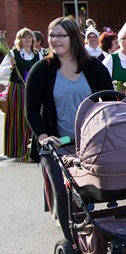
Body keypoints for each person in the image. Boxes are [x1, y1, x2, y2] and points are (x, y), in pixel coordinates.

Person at [25, 17, 113, 242]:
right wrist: (44, 137)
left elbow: (110, 101)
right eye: (51, 35)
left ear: (74, 37)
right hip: (56, 144)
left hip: (91, 143)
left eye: (60, 35)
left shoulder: (93, 67)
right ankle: (73, 243)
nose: (54, 40)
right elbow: (32, 110)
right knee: (64, 193)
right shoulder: (42, 69)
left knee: (102, 188)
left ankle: (107, 233)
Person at [0, 28, 40, 161]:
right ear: (20, 40)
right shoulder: (13, 53)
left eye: (29, 37)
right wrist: (10, 67)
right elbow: (1, 72)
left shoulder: (37, 54)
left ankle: (31, 149)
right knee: (18, 118)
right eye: (24, 37)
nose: (27, 39)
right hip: (17, 89)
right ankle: (17, 150)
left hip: (32, 89)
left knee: (32, 116)